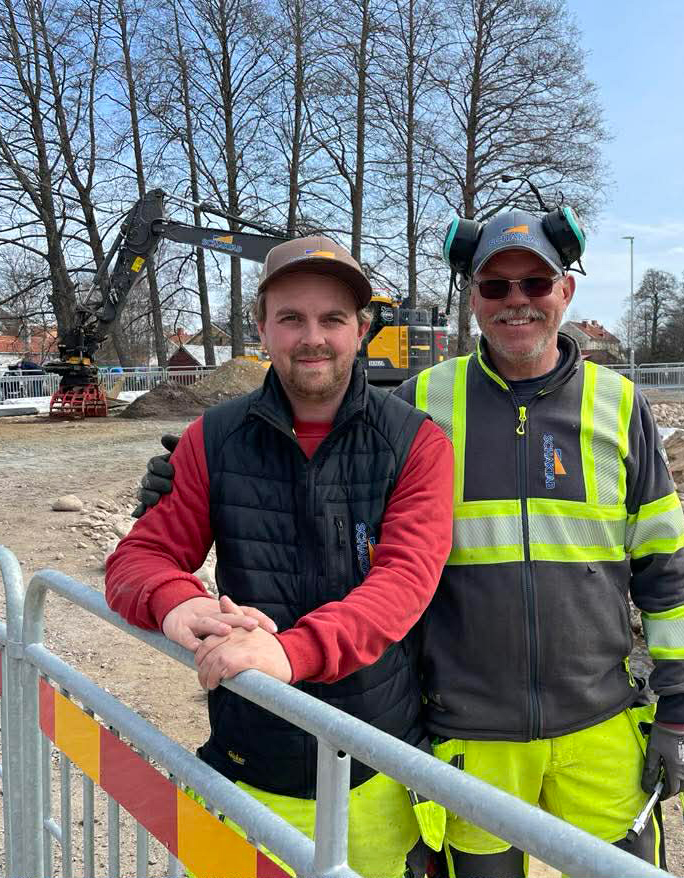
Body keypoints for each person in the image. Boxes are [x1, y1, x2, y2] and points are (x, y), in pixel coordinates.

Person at [133, 212, 684, 876]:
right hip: (469, 731)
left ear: (565, 292)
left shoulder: (620, 406)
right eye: (496, 286)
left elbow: (665, 567)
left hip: (599, 722)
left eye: (535, 283)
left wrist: (681, 708)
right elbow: (339, 469)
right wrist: (184, 486)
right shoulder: (425, 402)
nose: (516, 300)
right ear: (473, 298)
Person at [107, 234, 454, 878]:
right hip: (251, 758)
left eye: (332, 319)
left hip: (374, 764)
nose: (312, 338)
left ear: (362, 330)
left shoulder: (416, 443)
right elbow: (139, 558)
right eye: (291, 318)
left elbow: (406, 580)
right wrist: (177, 603)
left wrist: (291, 653)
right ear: (262, 327)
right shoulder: (214, 438)